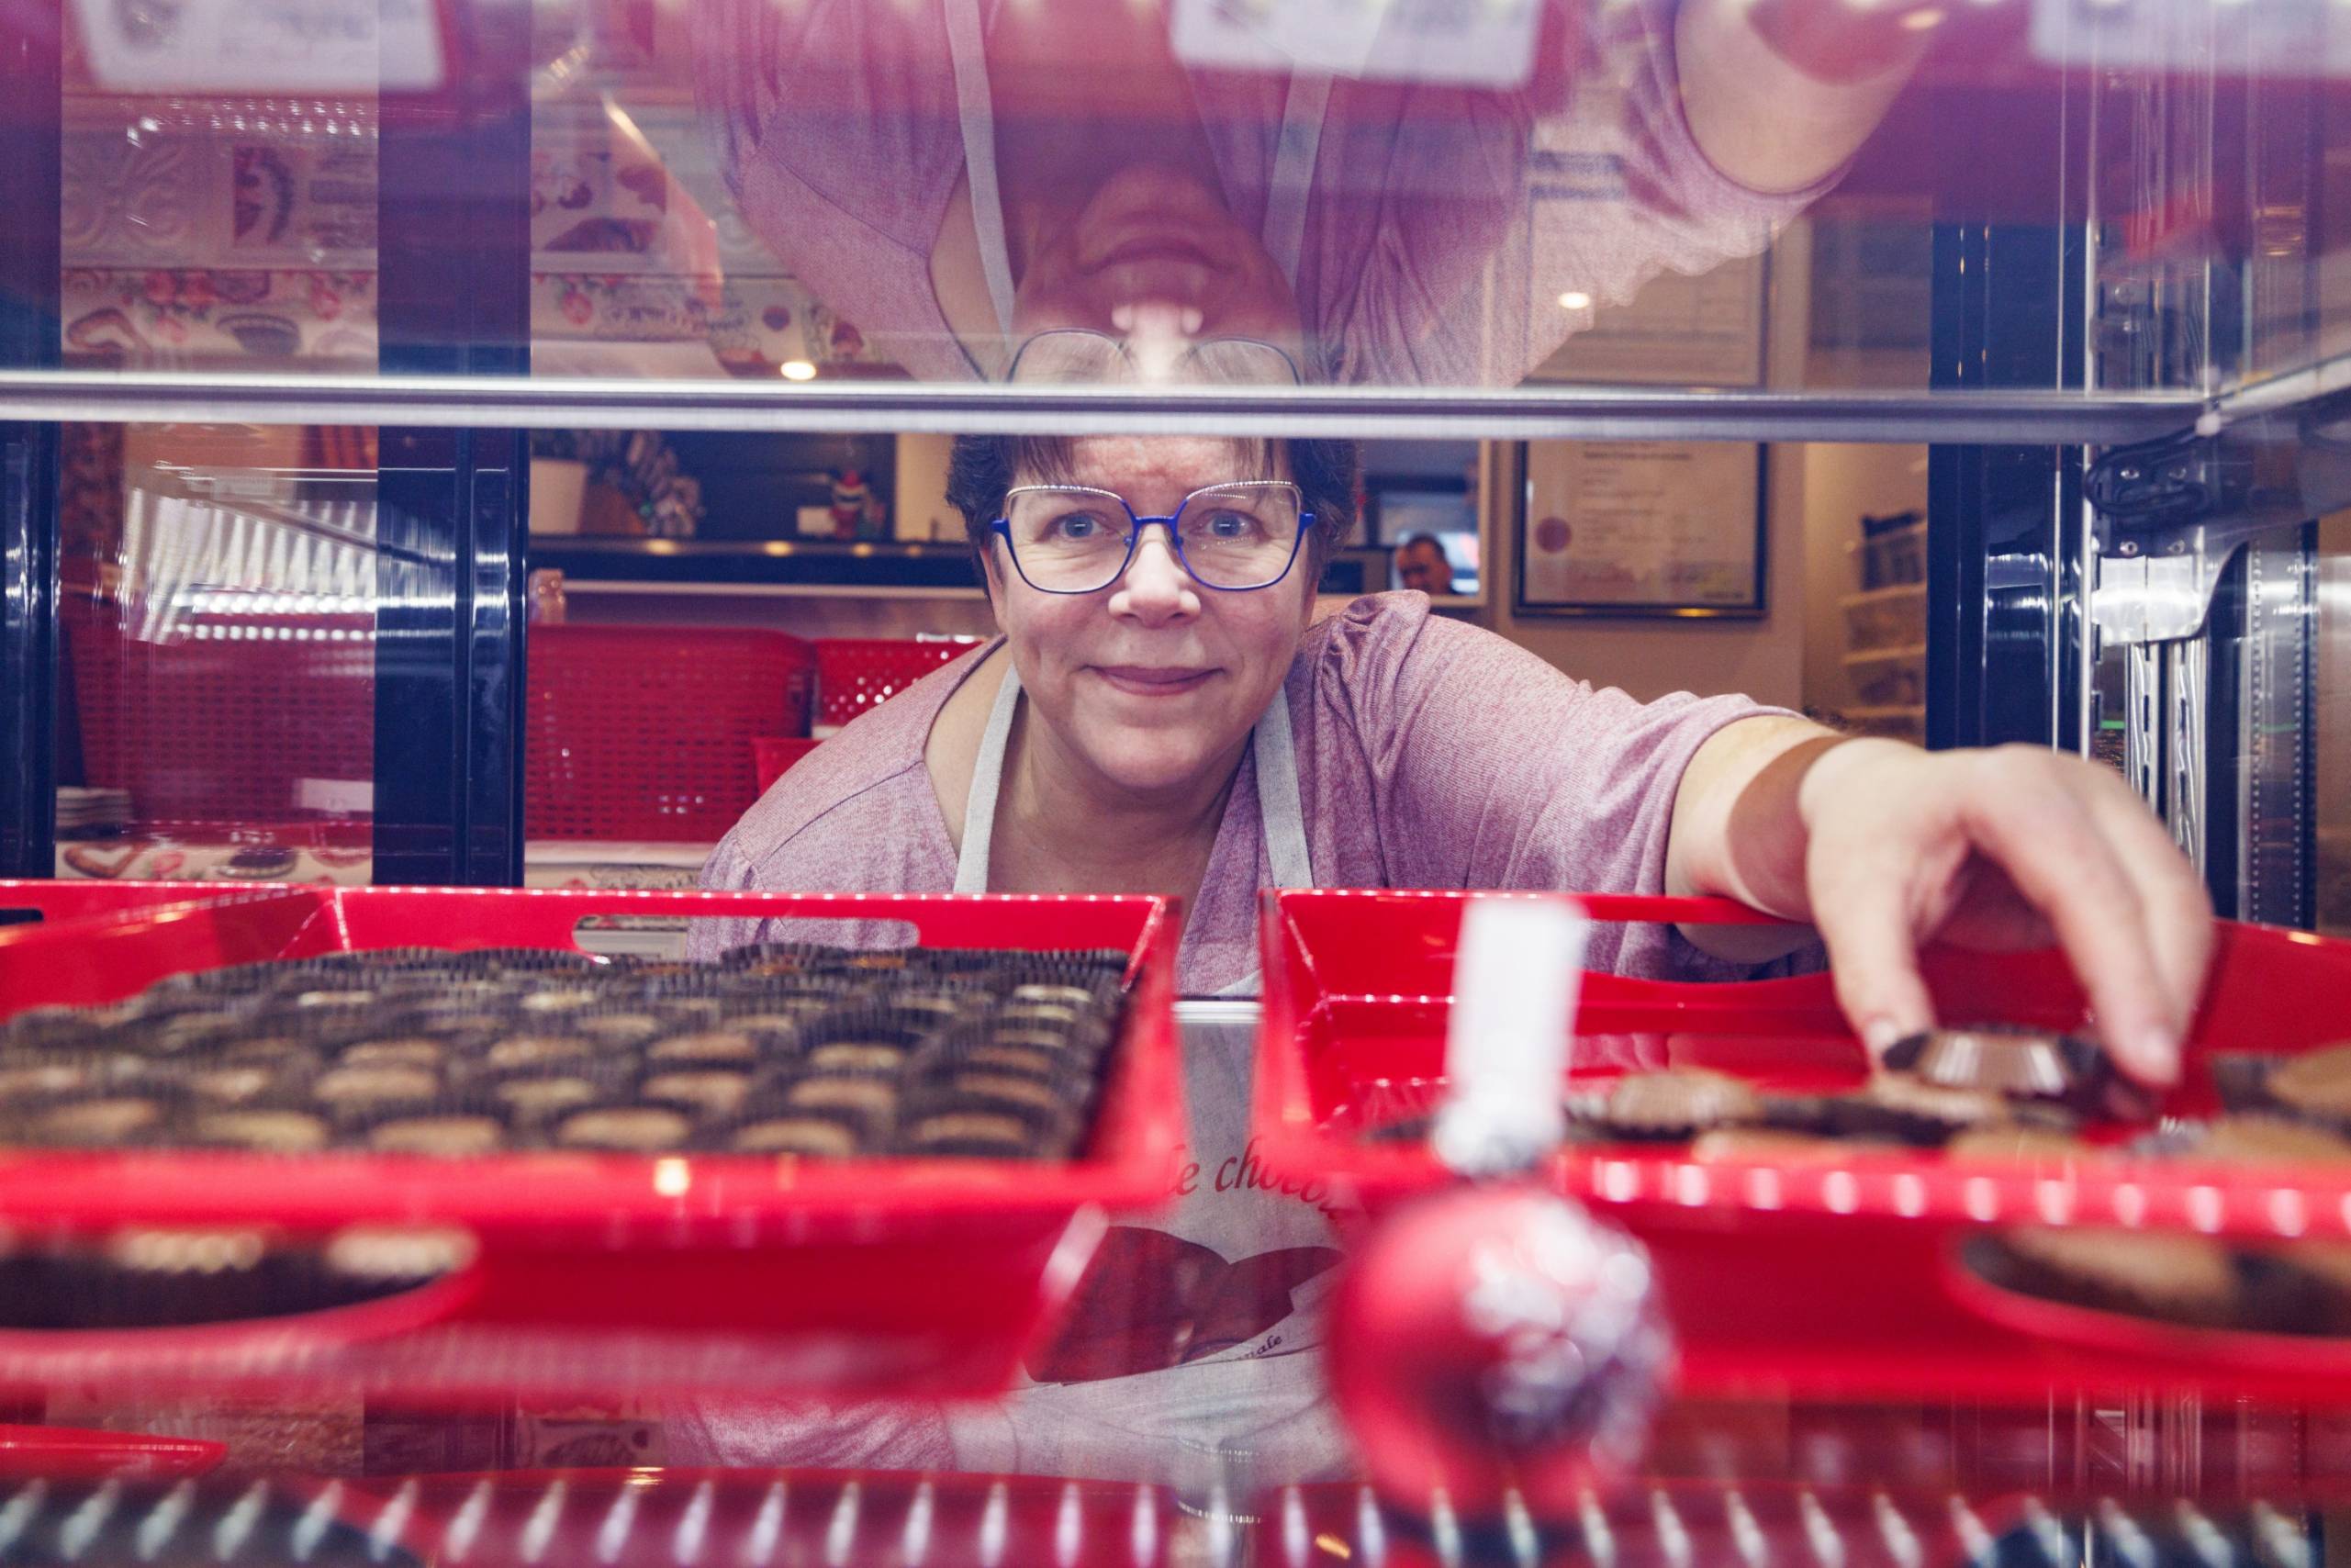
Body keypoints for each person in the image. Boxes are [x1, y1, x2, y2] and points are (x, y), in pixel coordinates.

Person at [678, 431, 2213, 1484]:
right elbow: (768, 1425)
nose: (1156, 587)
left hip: (1370, 1482)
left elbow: (1633, 785)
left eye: (1231, 521)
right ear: (993, 565)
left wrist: (1847, 793)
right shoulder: (819, 881)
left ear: (1310, 557)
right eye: (1078, 524)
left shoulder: (1383, 709)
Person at [692, 0, 1935, 386]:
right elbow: (1683, 183)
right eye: (1234, 385)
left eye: (1087, 376)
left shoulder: (822, 158)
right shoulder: (1388, 316)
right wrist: (1836, 32)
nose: (1161, 330)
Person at [1393, 532, 1456, 596]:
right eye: (1405, 573)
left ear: (1446, 571)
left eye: (1421, 570)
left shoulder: (1465, 605)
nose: (1413, 582)